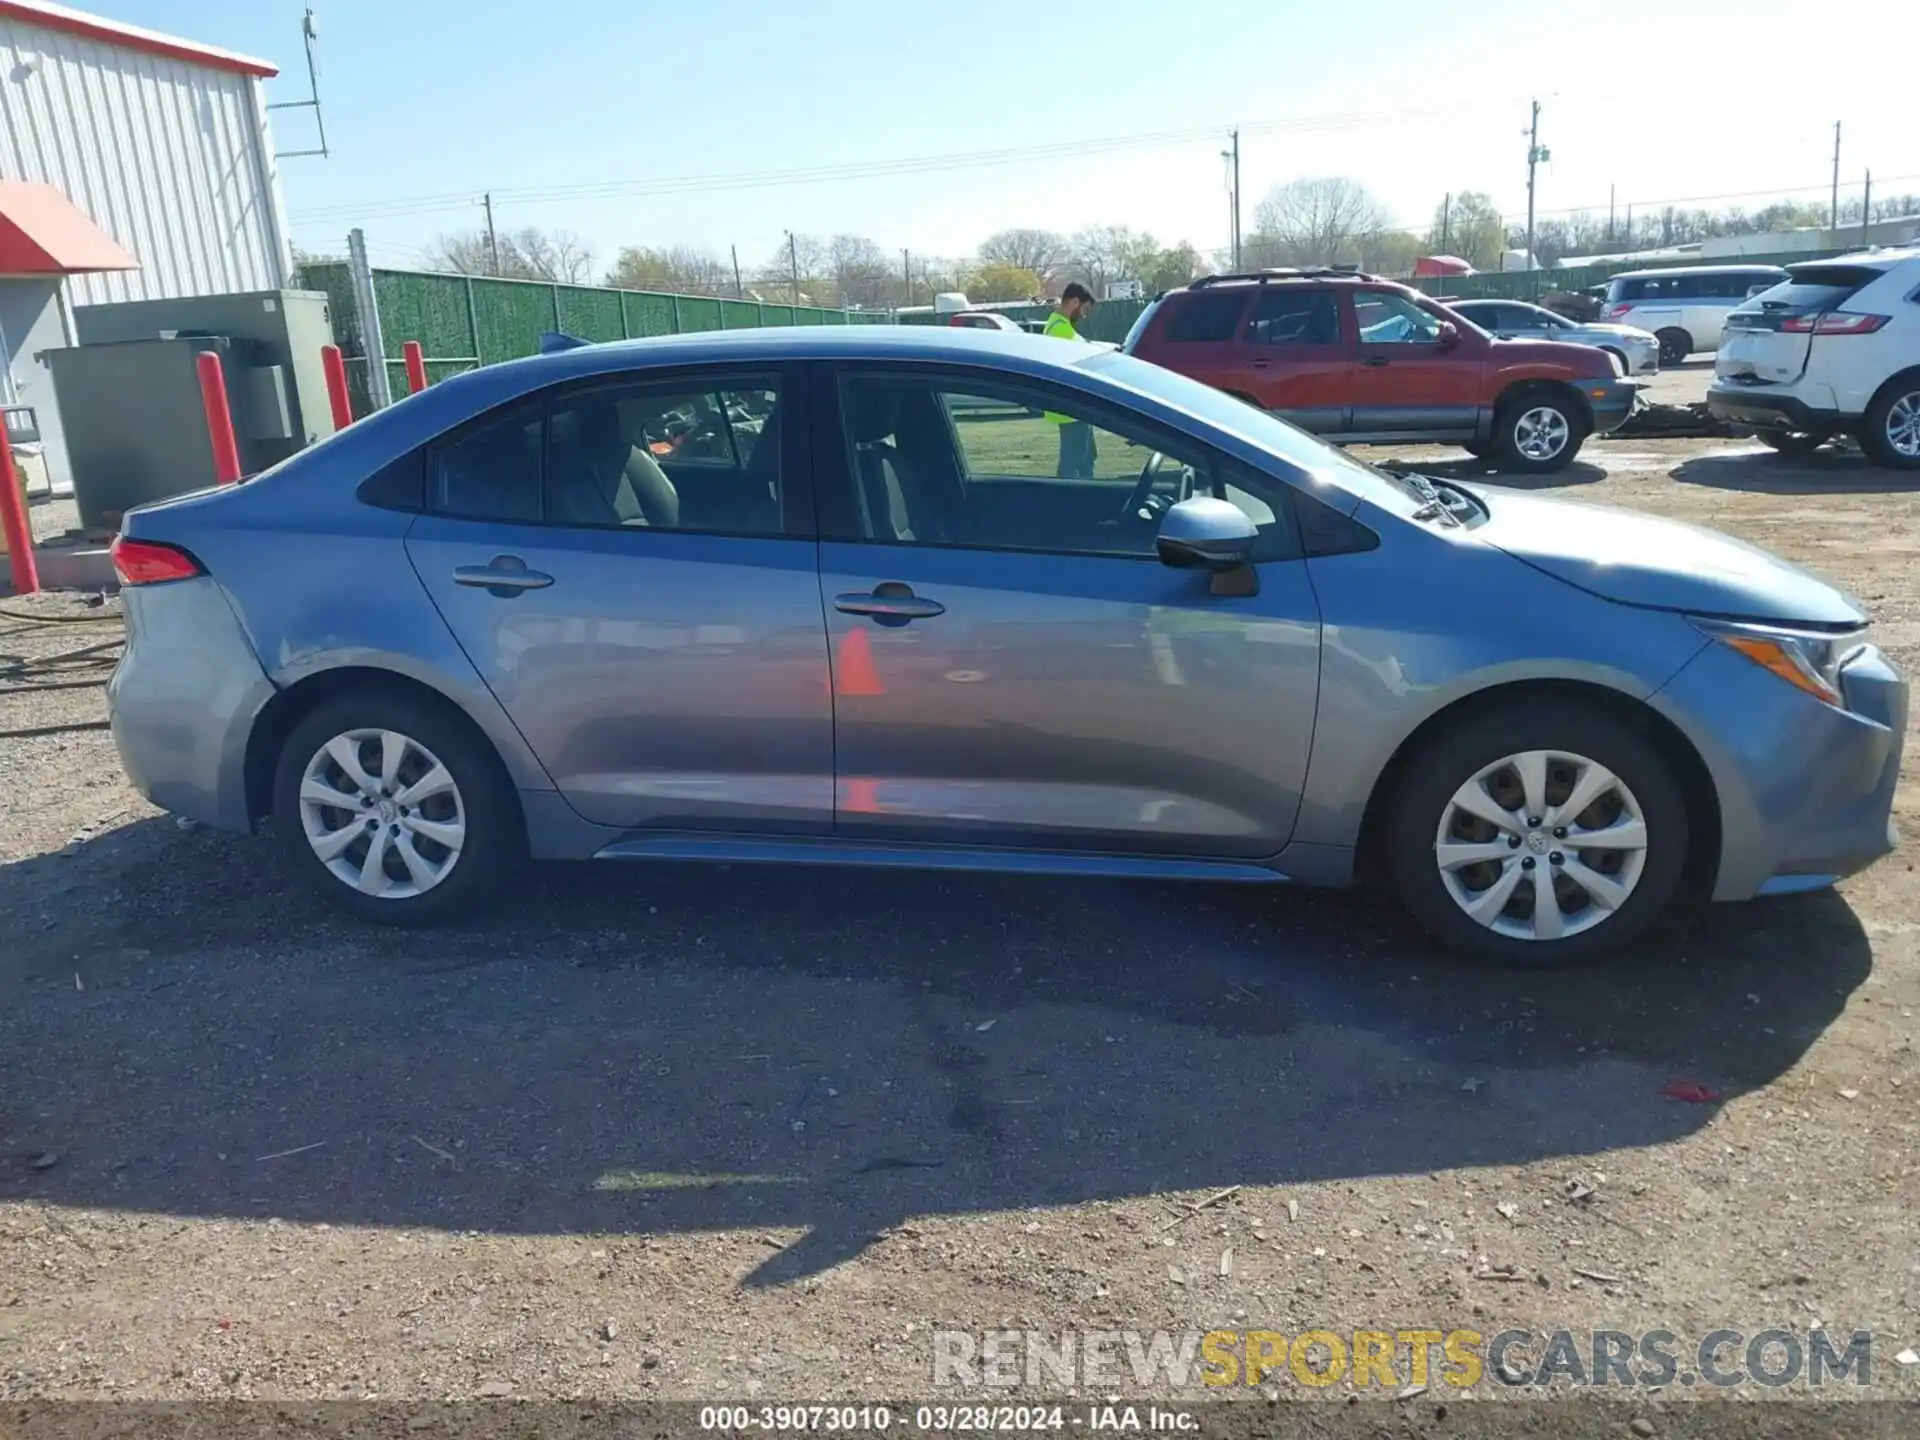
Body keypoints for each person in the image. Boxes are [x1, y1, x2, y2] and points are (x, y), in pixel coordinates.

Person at [1043, 283, 1097, 478]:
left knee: (1086, 457)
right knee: (1074, 461)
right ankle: (1072, 501)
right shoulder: (1061, 331)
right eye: (1084, 309)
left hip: (1072, 408)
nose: (1084, 315)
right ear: (1074, 302)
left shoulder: (1057, 324)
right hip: (1071, 410)